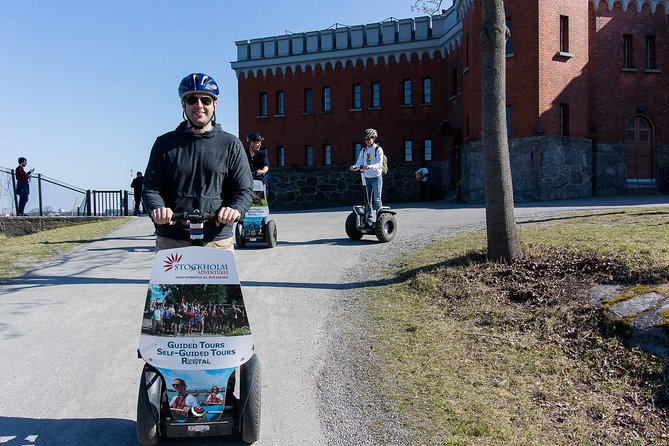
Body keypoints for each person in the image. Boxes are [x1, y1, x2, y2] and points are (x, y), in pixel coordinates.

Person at [142, 73, 254, 252]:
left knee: (220, 282)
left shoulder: (231, 144)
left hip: (216, 238)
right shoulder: (164, 144)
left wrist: (235, 209)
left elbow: (244, 190)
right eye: (192, 99)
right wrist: (158, 208)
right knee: (167, 282)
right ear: (183, 104)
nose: (199, 105)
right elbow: (151, 189)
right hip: (172, 238)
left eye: (206, 100)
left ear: (214, 105)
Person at [350, 128, 385, 225]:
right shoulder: (364, 150)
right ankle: (369, 219)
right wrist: (354, 167)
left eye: (369, 138)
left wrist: (369, 166)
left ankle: (380, 220)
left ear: (373, 138)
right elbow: (359, 162)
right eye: (365, 139)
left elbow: (379, 164)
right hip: (366, 177)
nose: (367, 140)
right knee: (367, 200)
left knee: (377, 199)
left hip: (376, 177)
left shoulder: (378, 149)